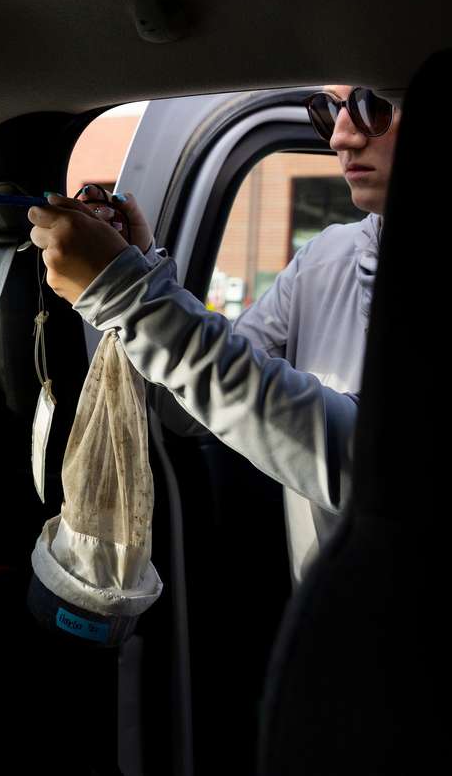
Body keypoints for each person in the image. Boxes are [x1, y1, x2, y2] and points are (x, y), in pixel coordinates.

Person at [34, 85, 399, 583]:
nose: (339, 137)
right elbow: (191, 414)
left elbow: (377, 470)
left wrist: (130, 297)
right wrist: (143, 270)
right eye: (329, 111)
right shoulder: (325, 258)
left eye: (371, 106)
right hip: (322, 626)